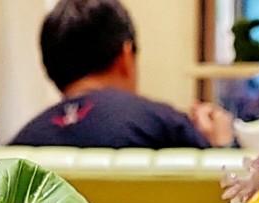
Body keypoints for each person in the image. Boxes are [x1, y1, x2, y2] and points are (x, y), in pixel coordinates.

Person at [12, 0, 234, 150]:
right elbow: (228, 193)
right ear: (126, 55)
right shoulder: (165, 125)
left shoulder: (20, 145)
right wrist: (224, 145)